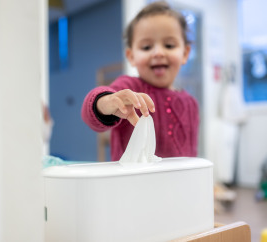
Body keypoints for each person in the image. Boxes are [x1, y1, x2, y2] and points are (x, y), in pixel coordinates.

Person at [81, 1, 199, 161]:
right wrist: (107, 102)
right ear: (131, 56)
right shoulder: (130, 89)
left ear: (185, 53)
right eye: (146, 47)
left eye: (169, 45)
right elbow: (90, 115)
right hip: (131, 184)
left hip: (178, 185)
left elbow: (191, 155)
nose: (158, 52)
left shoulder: (191, 104)